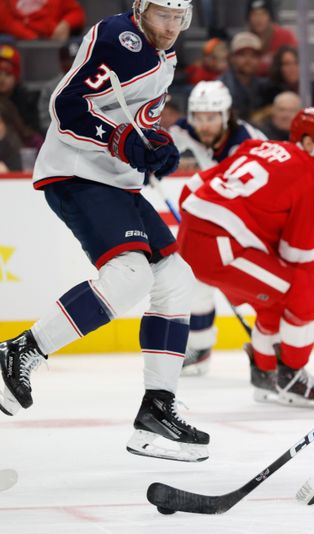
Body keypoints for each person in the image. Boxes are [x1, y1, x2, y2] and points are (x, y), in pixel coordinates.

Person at [0, 0, 209, 463]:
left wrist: (155, 143)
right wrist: (122, 141)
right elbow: (68, 105)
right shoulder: (119, 38)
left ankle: (156, 410)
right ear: (140, 11)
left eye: (179, 17)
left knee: (175, 279)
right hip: (77, 171)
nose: (171, 25)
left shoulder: (165, 55)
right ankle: (21, 350)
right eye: (162, 15)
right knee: (131, 276)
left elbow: (131, 115)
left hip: (115, 180)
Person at [171, 82, 314, 382]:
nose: (205, 125)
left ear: (225, 115)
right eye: (199, 117)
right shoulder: (184, 131)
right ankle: (205, 348)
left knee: (294, 286)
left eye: (212, 117)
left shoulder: (247, 140)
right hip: (228, 228)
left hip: (259, 224)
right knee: (202, 282)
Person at [176, 108, 314, 408]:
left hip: (195, 237)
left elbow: (190, 189)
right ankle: (292, 376)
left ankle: (265, 373)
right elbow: (297, 254)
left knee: (273, 298)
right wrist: (313, 275)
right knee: (305, 293)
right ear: (309, 143)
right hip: (221, 247)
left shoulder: (258, 147)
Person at [262, 46, 314, 110]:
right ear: (279, 67)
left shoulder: (313, 90)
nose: (292, 68)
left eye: (296, 63)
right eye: (287, 64)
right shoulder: (269, 90)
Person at [220, 31, 268, 121]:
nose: (248, 60)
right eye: (242, 55)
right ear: (231, 58)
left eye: (254, 56)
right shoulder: (221, 86)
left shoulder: (263, 85)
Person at [245, 0, 297, 76]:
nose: (258, 19)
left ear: (270, 17)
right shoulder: (244, 40)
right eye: (254, 14)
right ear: (249, 18)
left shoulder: (285, 36)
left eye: (263, 14)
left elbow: (294, 66)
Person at [0, 0, 85, 41]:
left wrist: (66, 24)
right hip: (20, 45)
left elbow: (77, 13)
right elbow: (4, 20)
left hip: (53, 45)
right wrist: (31, 37)